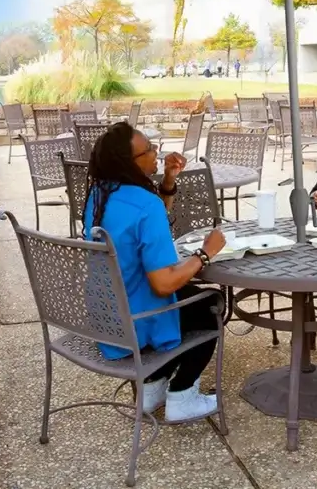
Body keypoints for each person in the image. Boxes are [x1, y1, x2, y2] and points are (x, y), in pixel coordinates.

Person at [84, 122, 226, 421]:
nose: (156, 153)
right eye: (149, 149)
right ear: (129, 163)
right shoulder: (145, 205)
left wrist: (168, 182)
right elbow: (163, 284)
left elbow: (143, 221)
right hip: (138, 319)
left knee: (189, 296)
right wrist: (205, 253)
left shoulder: (99, 194)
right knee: (210, 304)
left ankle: (152, 388)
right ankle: (182, 396)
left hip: (108, 314)